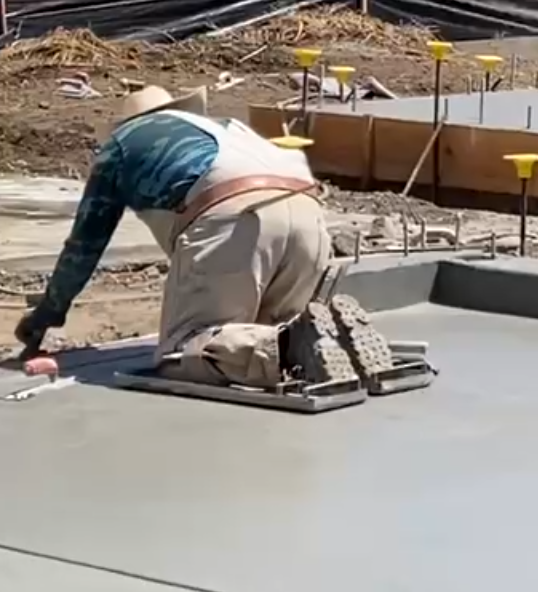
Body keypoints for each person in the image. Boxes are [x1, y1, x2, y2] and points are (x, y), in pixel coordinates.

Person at [10, 86, 390, 389]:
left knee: (183, 354)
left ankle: (290, 348)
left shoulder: (121, 146)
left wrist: (45, 314)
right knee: (263, 338)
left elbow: (83, 247)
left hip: (235, 216)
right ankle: (320, 338)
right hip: (310, 213)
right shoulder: (225, 128)